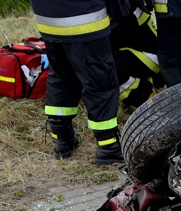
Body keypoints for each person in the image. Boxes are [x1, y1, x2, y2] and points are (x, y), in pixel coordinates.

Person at [30, 0, 123, 164]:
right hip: (83, 18)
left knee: (62, 75)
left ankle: (62, 141)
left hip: (47, 19)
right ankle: (109, 147)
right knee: (100, 83)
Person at [109, 0, 163, 111]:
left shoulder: (119, 5)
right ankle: (146, 82)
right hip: (138, 53)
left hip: (150, 57)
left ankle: (143, 96)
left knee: (105, 67)